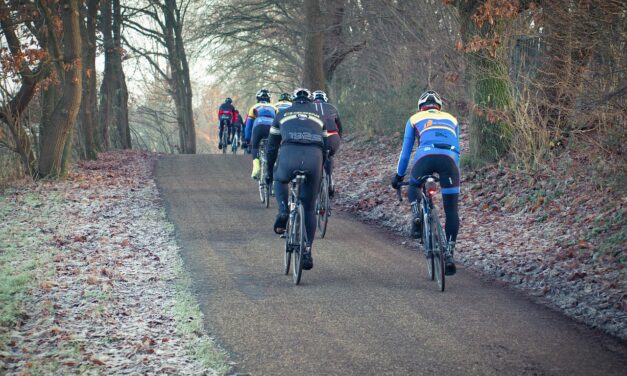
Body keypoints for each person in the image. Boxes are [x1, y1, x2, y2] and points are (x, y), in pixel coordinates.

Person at [390, 90, 460, 276]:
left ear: (421, 107)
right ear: (439, 107)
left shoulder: (414, 118)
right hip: (450, 162)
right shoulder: (452, 119)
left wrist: (398, 177)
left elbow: (405, 154)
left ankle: (416, 215)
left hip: (425, 158)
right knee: (452, 210)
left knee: (414, 185)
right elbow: (457, 150)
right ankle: (449, 253)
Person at [266, 88, 327, 270]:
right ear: (309, 101)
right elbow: (327, 146)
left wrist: (269, 171)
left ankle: (283, 211)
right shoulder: (319, 115)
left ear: (293, 101)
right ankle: (307, 249)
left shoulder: (282, 114)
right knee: (308, 207)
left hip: (288, 155)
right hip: (313, 157)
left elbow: (271, 148)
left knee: (280, 179)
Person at [312, 90, 342, 198]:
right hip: (333, 137)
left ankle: (314, 181)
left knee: (315, 155)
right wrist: (339, 140)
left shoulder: (310, 108)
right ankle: (330, 180)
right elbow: (340, 127)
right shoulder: (332, 108)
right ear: (325, 99)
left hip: (317, 137)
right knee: (329, 155)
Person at [244, 88, 276, 179]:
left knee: (255, 146)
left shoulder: (254, 107)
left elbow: (248, 125)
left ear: (257, 99)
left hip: (258, 125)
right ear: (269, 100)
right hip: (271, 126)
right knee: (273, 147)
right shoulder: (274, 107)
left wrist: (247, 139)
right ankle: (272, 166)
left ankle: (256, 166)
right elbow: (279, 123)